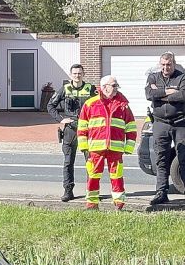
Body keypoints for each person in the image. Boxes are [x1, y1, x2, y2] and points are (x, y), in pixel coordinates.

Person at [77, 75, 137, 210]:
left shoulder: (123, 105)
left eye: (116, 86)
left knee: (117, 176)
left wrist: (128, 147)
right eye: (114, 86)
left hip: (115, 148)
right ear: (104, 87)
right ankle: (92, 204)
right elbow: (82, 126)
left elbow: (131, 127)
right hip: (95, 148)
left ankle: (119, 204)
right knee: (93, 176)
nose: (116, 88)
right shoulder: (90, 103)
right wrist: (83, 146)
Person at [47, 64, 96, 202]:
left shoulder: (90, 89)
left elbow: (100, 105)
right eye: (75, 73)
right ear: (71, 75)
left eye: (79, 73)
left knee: (90, 162)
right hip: (70, 129)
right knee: (68, 162)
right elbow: (50, 106)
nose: (77, 75)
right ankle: (68, 191)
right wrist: (61, 119)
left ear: (83, 74)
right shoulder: (65, 89)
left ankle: (91, 191)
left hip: (87, 129)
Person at [144, 52, 185, 206]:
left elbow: (183, 95)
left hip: (180, 123)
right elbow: (149, 94)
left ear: (173, 64)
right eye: (163, 64)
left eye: (169, 64)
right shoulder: (153, 77)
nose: (166, 67)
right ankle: (161, 192)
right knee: (161, 158)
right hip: (160, 123)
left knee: (183, 157)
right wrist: (169, 91)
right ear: (160, 64)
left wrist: (160, 94)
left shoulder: (182, 77)